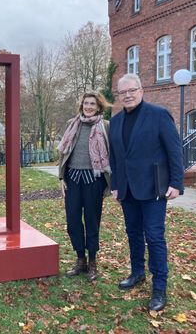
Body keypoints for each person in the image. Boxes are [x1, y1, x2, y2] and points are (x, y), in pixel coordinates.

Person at [109, 73, 184, 311]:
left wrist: (176, 183)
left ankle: (159, 287)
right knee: (133, 233)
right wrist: (115, 185)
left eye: (132, 90)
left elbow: (175, 150)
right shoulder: (117, 120)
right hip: (128, 190)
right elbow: (116, 156)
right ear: (119, 95)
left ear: (142, 90)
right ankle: (137, 273)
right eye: (123, 92)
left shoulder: (159, 115)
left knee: (154, 236)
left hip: (153, 188)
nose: (128, 95)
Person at [58, 91, 111, 282]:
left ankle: (93, 262)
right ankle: (80, 260)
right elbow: (64, 152)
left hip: (93, 180)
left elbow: (111, 154)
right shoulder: (73, 124)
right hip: (72, 179)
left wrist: (109, 184)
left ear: (99, 107)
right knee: (72, 221)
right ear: (82, 105)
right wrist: (61, 177)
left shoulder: (105, 127)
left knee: (92, 221)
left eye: (93, 104)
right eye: (86, 103)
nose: (89, 107)